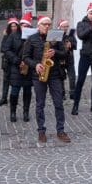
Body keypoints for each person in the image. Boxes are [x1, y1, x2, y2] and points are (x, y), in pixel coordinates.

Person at [22, 15, 71, 143]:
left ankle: (60, 130)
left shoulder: (55, 37)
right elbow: (25, 57)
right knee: (40, 104)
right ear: (39, 25)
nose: (47, 26)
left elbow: (65, 54)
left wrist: (55, 52)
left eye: (49, 24)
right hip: (39, 75)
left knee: (59, 103)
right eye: (44, 24)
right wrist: (36, 65)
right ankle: (41, 131)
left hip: (55, 75)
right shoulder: (31, 39)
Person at [71, 2, 92, 115]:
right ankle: (75, 105)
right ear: (88, 13)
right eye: (91, 13)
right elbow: (81, 35)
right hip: (85, 55)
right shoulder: (81, 24)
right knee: (80, 80)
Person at [2, 17, 33, 122]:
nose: (25, 26)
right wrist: (17, 60)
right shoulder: (13, 35)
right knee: (15, 91)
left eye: (27, 25)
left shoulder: (33, 35)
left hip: (28, 67)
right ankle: (13, 112)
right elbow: (6, 49)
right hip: (16, 67)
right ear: (20, 25)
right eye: (23, 24)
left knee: (27, 91)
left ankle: (26, 112)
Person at [0, 17, 20, 106]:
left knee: (15, 80)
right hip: (7, 62)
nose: (13, 28)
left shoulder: (19, 35)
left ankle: (14, 98)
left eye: (15, 26)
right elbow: (2, 48)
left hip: (15, 61)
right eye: (12, 26)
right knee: (5, 80)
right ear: (9, 27)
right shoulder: (6, 36)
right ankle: (4, 98)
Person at [58, 18, 77, 101]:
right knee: (61, 76)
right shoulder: (56, 34)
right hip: (60, 59)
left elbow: (75, 45)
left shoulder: (71, 35)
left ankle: (72, 93)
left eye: (67, 26)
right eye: (63, 26)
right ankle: (62, 93)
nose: (65, 28)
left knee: (72, 76)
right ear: (60, 27)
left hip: (69, 58)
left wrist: (71, 44)